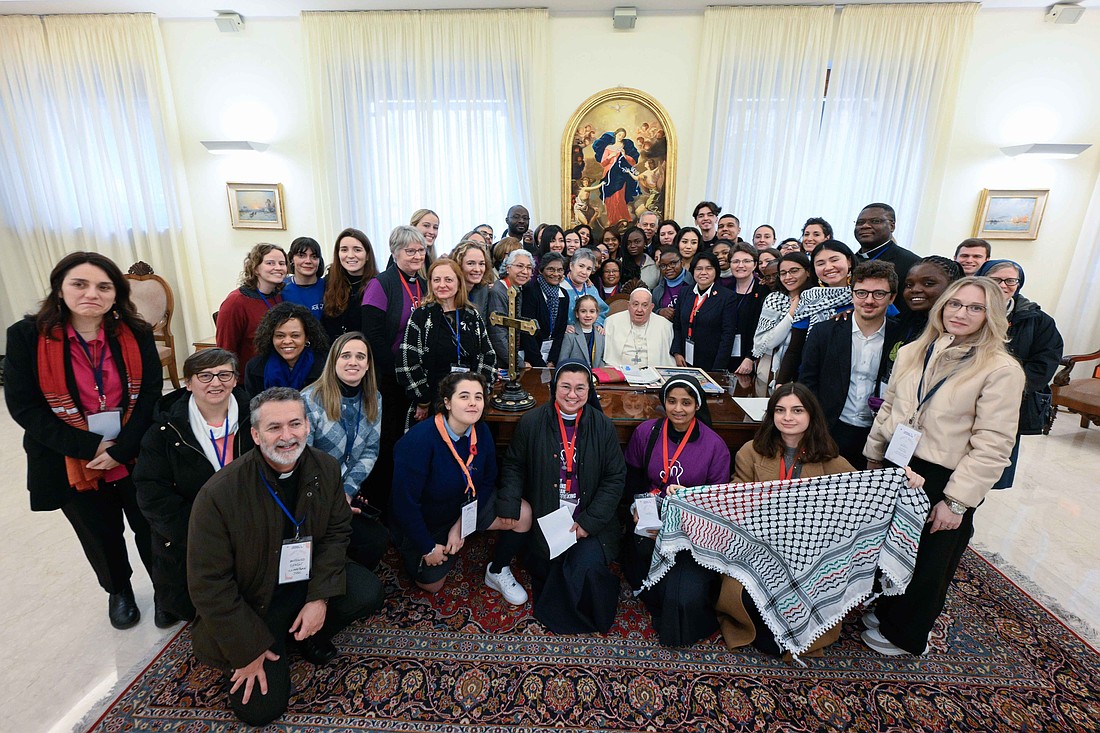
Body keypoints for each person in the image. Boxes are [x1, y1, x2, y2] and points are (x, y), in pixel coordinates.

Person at [187, 388, 384, 726]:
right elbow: (208, 584)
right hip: (254, 603)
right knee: (261, 711)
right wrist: (247, 649)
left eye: (295, 424)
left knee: (367, 592)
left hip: (303, 582)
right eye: (274, 427)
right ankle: (273, 643)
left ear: (308, 426)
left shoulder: (325, 467)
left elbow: (337, 534)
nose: (286, 436)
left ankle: (307, 634)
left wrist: (320, 597)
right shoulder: (219, 494)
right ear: (255, 434)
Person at [861, 277, 1026, 656]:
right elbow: (891, 407)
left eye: (975, 307)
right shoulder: (915, 350)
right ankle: (887, 607)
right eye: (955, 304)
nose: (961, 313)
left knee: (930, 560)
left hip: (946, 475)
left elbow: (994, 444)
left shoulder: (1000, 369)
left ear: (991, 315)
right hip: (899, 461)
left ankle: (907, 632)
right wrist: (874, 455)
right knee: (891, 546)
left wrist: (956, 501)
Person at [6, 251, 161, 630]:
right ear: (60, 289)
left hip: (133, 451)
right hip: (69, 457)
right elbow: (24, 408)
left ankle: (165, 588)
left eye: (103, 286)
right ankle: (119, 591)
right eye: (80, 284)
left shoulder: (137, 334)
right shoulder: (26, 337)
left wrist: (122, 450)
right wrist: (91, 448)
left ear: (116, 294)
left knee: (150, 523)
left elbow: (152, 396)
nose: (92, 293)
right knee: (99, 530)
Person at [723, 383, 858, 655]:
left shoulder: (833, 461)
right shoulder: (750, 451)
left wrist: (905, 480)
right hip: (759, 548)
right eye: (780, 410)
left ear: (811, 416)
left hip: (807, 556)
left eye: (797, 410)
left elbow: (862, 495)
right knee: (754, 622)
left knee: (776, 642)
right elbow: (737, 500)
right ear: (771, 415)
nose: (788, 417)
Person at [497, 362, 627, 633]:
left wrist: (589, 523)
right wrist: (509, 503)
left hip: (588, 519)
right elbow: (514, 465)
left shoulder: (602, 425)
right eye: (565, 386)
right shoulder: (531, 422)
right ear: (554, 387)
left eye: (580, 388)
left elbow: (615, 478)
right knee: (548, 564)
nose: (572, 394)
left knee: (586, 570)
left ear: (589, 391)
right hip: (547, 518)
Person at [134, 348, 254, 628]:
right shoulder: (163, 432)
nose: (216, 383)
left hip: (250, 523)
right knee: (195, 609)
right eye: (205, 376)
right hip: (192, 531)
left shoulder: (257, 419)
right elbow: (152, 492)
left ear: (236, 380)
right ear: (188, 383)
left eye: (225, 374)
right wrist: (204, 533)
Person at [391, 373, 533, 601]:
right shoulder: (417, 442)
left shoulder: (482, 432)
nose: (472, 403)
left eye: (478, 397)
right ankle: (435, 548)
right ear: (447, 402)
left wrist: (460, 526)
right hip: (431, 519)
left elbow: (487, 481)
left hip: (467, 507)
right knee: (432, 585)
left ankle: (497, 570)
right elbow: (404, 504)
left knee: (523, 514)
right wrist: (428, 547)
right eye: (464, 396)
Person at [623, 376, 731, 646]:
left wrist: (685, 500)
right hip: (651, 517)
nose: (678, 409)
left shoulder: (715, 445)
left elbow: (716, 502)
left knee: (681, 597)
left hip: (693, 528)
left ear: (697, 405)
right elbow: (633, 477)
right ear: (664, 403)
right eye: (671, 401)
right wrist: (635, 507)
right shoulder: (646, 432)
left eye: (686, 402)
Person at [800, 261, 903, 468]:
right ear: (852, 293)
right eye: (862, 293)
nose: (869, 300)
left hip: (878, 433)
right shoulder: (824, 332)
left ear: (892, 297)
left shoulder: (902, 337)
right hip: (831, 428)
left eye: (879, 294)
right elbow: (808, 383)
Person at [302, 332, 389, 570]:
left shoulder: (374, 399)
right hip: (312, 497)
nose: (354, 362)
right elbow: (302, 462)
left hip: (347, 492)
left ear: (368, 364)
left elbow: (370, 450)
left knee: (377, 540)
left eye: (360, 356)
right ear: (334, 360)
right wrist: (330, 500)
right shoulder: (308, 400)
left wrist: (348, 491)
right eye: (346, 355)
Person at [976, 260, 1063, 487]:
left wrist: (1008, 385)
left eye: (1010, 280)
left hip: (1010, 401)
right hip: (964, 394)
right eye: (996, 280)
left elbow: (1045, 361)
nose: (1003, 285)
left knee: (991, 461)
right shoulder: (967, 310)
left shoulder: (1038, 320)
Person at [361, 225, 429, 513]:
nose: (416, 256)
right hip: (389, 379)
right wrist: (401, 374)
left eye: (421, 250)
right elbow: (373, 338)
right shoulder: (381, 284)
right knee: (390, 443)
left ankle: (411, 499)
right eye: (409, 250)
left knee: (416, 442)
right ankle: (383, 505)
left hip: (419, 378)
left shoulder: (423, 283)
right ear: (394, 252)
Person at [397, 258, 496, 427]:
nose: (442, 285)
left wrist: (479, 393)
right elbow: (407, 361)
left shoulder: (472, 315)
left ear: (459, 283)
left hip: (468, 401)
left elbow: (487, 355)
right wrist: (423, 400)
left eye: (448, 280)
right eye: (436, 280)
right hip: (431, 402)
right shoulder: (421, 316)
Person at [752, 253, 817, 386]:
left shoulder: (818, 300)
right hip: (773, 372)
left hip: (808, 372)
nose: (788, 277)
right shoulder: (774, 299)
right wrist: (792, 313)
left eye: (794, 271)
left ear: (808, 272)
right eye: (783, 273)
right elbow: (767, 343)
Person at [216, 243, 286, 364]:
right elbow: (225, 349)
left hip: (278, 373)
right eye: (270, 263)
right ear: (255, 268)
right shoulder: (235, 302)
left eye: (282, 263)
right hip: (249, 377)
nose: (278, 268)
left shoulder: (281, 296)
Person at [243, 302, 328, 396]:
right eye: (280, 336)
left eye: (295, 335)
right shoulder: (254, 368)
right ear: (271, 337)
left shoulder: (327, 366)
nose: (287, 341)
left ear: (307, 337)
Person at [671, 251, 737, 372]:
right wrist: (677, 352)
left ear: (716, 271)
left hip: (711, 362)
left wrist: (718, 368)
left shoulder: (727, 297)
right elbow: (677, 325)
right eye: (699, 269)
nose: (703, 273)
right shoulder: (685, 292)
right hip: (685, 359)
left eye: (709, 268)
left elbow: (727, 335)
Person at [853, 203, 921, 315]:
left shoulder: (912, 263)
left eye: (875, 221)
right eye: (860, 222)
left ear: (892, 226)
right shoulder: (848, 261)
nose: (865, 226)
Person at [891, 256, 963, 353]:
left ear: (953, 286)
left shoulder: (958, 332)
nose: (915, 289)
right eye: (909, 285)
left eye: (928, 283)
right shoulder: (901, 324)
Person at [321, 227, 379, 344]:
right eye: (344, 250)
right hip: (334, 353)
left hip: (366, 353)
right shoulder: (327, 282)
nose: (350, 255)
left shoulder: (378, 285)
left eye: (357, 250)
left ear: (367, 255)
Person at [725, 243, 770, 375]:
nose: (740, 265)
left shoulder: (763, 291)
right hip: (727, 353)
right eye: (736, 261)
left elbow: (763, 329)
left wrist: (750, 357)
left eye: (746, 261)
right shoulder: (726, 290)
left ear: (755, 264)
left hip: (752, 357)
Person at [489, 248, 538, 367]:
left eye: (528, 268)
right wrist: (519, 363)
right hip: (501, 363)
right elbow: (498, 336)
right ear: (507, 268)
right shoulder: (499, 291)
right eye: (519, 266)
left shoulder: (517, 289)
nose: (525, 271)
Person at [604, 287, 675, 367]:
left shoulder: (665, 326)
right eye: (635, 304)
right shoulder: (612, 322)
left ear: (651, 307)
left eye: (645, 305)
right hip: (619, 374)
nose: (639, 309)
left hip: (653, 375)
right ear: (628, 305)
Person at [521, 252, 569, 367]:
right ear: (541, 270)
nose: (556, 274)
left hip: (550, 356)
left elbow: (560, 332)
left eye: (560, 270)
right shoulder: (531, 291)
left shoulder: (564, 295)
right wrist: (539, 363)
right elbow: (527, 332)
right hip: (530, 357)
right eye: (551, 269)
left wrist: (552, 361)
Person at [593, 128, 642, 226]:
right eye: (619, 135)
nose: (621, 137)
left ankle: (623, 218)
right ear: (615, 135)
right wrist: (610, 156)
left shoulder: (625, 147)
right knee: (609, 197)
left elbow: (632, 162)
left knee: (619, 196)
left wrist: (625, 155)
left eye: (623, 136)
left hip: (620, 175)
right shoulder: (608, 148)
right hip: (609, 174)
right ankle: (612, 219)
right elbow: (603, 163)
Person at [451, 239, 496, 324]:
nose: (477, 269)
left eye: (481, 264)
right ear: (458, 265)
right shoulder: (449, 291)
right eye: (470, 263)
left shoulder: (483, 289)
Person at [562, 249, 610, 325]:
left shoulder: (591, 289)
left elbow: (602, 311)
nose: (584, 272)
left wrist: (597, 325)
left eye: (588, 269)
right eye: (581, 266)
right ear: (571, 266)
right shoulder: (560, 287)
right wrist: (563, 327)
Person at [281, 237, 325, 318]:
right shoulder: (281, 289)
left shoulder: (329, 287)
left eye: (314, 256)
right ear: (291, 259)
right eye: (301, 256)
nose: (308, 261)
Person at [558, 295, 606, 368]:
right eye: (583, 311)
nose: (588, 315)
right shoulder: (570, 335)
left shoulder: (600, 334)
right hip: (575, 376)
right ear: (577, 314)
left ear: (597, 314)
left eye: (592, 311)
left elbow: (601, 359)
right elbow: (562, 362)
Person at [652, 246, 695, 321]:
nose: (668, 268)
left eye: (673, 263)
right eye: (663, 266)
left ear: (682, 262)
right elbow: (651, 313)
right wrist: (659, 312)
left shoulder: (694, 282)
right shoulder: (657, 291)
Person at [619, 225, 660, 289]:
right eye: (628, 243)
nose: (632, 246)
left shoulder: (654, 266)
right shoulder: (619, 264)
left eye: (637, 242)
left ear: (645, 243)